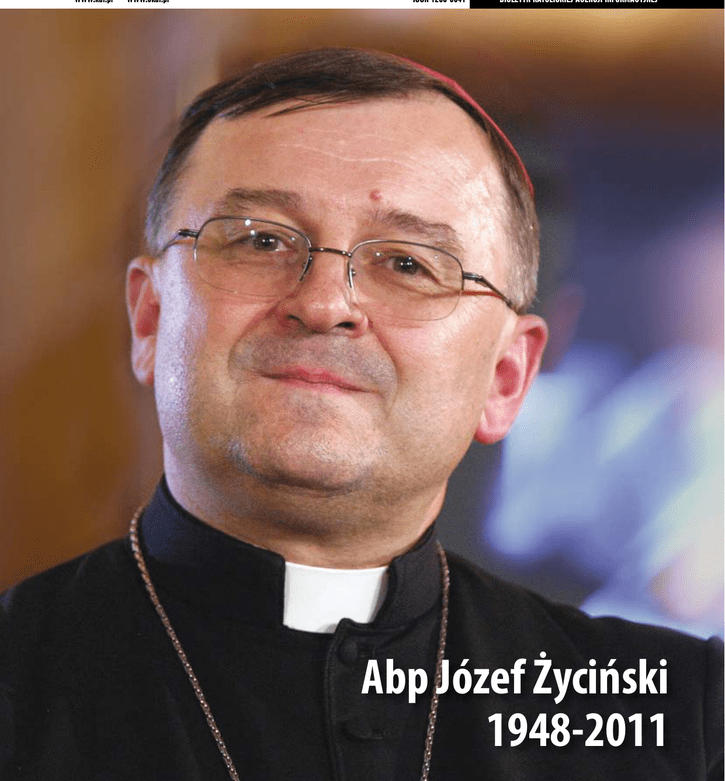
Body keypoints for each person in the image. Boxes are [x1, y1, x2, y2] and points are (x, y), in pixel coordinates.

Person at [0, 48, 721, 780]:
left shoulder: (684, 724)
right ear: (151, 319)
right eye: (259, 240)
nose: (324, 304)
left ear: (506, 377)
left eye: (408, 264)